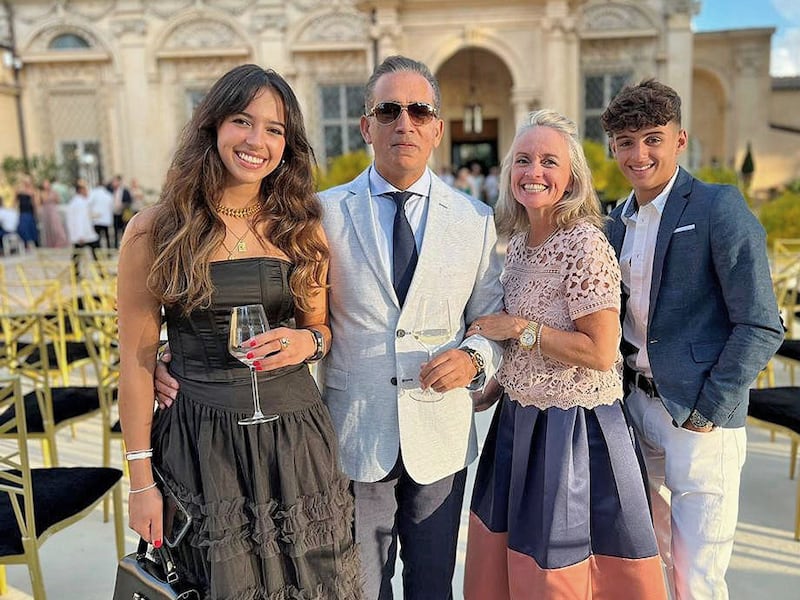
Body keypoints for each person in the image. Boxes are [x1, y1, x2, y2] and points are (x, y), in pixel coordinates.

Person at [156, 55, 504, 600]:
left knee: (433, 584)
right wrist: (172, 350)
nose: (403, 123)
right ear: (367, 126)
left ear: (438, 127)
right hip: (351, 431)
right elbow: (276, 305)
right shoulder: (318, 214)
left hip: (440, 432)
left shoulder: (475, 220)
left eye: (419, 111)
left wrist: (476, 358)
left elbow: (488, 321)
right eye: (388, 110)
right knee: (360, 586)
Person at [118, 64, 361, 599]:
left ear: (288, 144)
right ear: (212, 128)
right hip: (202, 443)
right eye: (242, 121)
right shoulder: (154, 230)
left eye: (275, 129)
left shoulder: (301, 225)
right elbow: (135, 364)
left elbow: (319, 327)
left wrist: (306, 342)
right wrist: (139, 484)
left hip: (295, 439)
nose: (258, 141)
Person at [462, 110, 667, 599]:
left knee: (563, 573)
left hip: (575, 435)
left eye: (549, 161)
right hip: (519, 424)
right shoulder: (518, 246)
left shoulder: (585, 244)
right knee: (509, 564)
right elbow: (520, 348)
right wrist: (491, 387)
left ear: (571, 177)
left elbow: (599, 352)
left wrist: (518, 327)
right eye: (524, 160)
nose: (534, 172)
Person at [600, 79, 784, 599]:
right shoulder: (618, 221)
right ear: (614, 147)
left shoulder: (717, 208)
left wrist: (712, 407)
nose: (640, 154)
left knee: (698, 575)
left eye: (653, 139)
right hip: (634, 409)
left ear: (679, 140)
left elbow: (761, 323)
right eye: (628, 142)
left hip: (699, 419)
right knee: (647, 563)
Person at [65, 179, 100, 256]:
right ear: (81, 190)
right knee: (94, 251)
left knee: (78, 253)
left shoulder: (75, 202)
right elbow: (80, 220)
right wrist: (80, 235)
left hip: (80, 234)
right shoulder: (80, 203)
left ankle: (98, 267)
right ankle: (99, 267)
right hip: (84, 234)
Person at [38, 179, 69, 248]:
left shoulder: (54, 192)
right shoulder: (42, 193)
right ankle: (51, 243)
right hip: (46, 211)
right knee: (48, 227)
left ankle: (61, 241)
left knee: (56, 226)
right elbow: (40, 202)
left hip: (53, 210)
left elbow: (58, 200)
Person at [15, 175, 39, 247]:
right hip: (22, 211)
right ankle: (25, 243)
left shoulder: (32, 191)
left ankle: (34, 242)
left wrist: (35, 212)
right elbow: (15, 201)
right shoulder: (19, 190)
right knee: (23, 227)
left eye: (28, 181)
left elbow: (34, 203)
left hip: (29, 211)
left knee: (31, 227)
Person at [89, 180, 115, 248]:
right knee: (107, 237)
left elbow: (89, 204)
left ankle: (98, 251)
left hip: (96, 219)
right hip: (106, 220)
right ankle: (109, 251)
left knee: (97, 237)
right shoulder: (108, 195)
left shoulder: (93, 193)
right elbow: (111, 207)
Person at [110, 173, 133, 247]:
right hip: (115, 213)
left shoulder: (125, 191)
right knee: (116, 230)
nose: (114, 183)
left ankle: (124, 245)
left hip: (123, 213)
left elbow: (129, 201)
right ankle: (116, 245)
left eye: (115, 181)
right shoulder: (111, 191)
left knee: (124, 230)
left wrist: (122, 206)